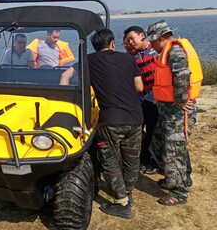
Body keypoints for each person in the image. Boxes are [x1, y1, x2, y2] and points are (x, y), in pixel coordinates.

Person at [60, 29, 143, 219]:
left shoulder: (88, 60)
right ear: (113, 43)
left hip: (111, 119)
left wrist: (66, 100)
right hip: (135, 117)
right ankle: (127, 193)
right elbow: (139, 87)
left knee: (109, 160)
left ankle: (121, 203)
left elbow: (65, 75)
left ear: (94, 46)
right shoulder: (129, 59)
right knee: (132, 158)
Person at [146, 20, 203, 206]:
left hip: (176, 111)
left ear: (161, 38)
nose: (151, 45)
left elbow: (182, 75)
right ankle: (177, 177)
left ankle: (178, 192)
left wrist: (181, 100)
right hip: (168, 111)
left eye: (153, 41)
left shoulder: (175, 51)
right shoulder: (168, 50)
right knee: (158, 144)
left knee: (173, 151)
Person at [123, 26, 159, 174]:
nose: (130, 42)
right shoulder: (132, 56)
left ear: (142, 35)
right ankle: (142, 160)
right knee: (137, 130)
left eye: (132, 38)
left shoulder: (156, 50)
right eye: (127, 41)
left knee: (153, 131)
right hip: (141, 99)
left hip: (156, 99)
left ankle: (152, 161)